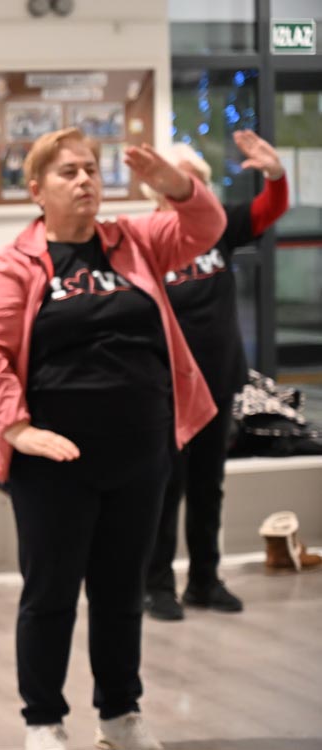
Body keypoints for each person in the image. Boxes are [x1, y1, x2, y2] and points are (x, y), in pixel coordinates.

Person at [0, 127, 226, 750]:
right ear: (37, 190)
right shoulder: (15, 262)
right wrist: (18, 428)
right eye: (68, 172)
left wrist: (175, 184)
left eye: (91, 168)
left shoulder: (135, 239)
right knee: (50, 594)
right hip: (54, 460)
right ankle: (43, 721)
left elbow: (207, 227)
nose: (84, 179)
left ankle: (119, 714)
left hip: (141, 451)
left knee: (121, 592)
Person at [142, 130, 290, 621]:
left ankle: (205, 580)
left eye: (199, 184)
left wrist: (275, 173)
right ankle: (156, 585)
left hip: (218, 379)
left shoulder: (219, 227)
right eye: (183, 183)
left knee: (209, 485)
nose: (194, 193)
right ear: (160, 189)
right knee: (165, 487)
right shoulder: (147, 240)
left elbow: (268, 209)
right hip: (167, 387)